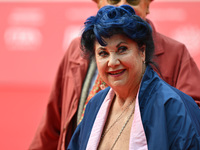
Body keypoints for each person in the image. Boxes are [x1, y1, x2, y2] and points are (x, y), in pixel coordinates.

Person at [29, 0, 200, 150]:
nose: (122, 5)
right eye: (103, 53)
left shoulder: (173, 102)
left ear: (142, 51)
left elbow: (190, 122)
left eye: (122, 49)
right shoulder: (94, 105)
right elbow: (51, 127)